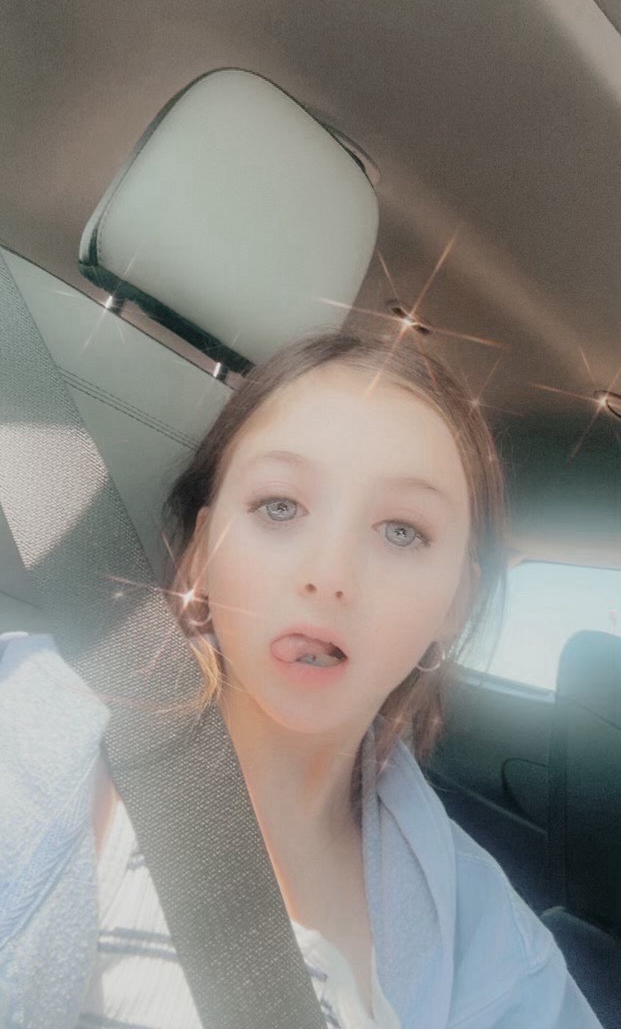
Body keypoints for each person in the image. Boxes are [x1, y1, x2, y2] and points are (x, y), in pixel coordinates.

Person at [0, 330, 603, 1028]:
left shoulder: (490, 944)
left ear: (454, 606)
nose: (329, 574)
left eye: (401, 531)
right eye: (279, 507)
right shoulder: (27, 729)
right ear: (200, 555)